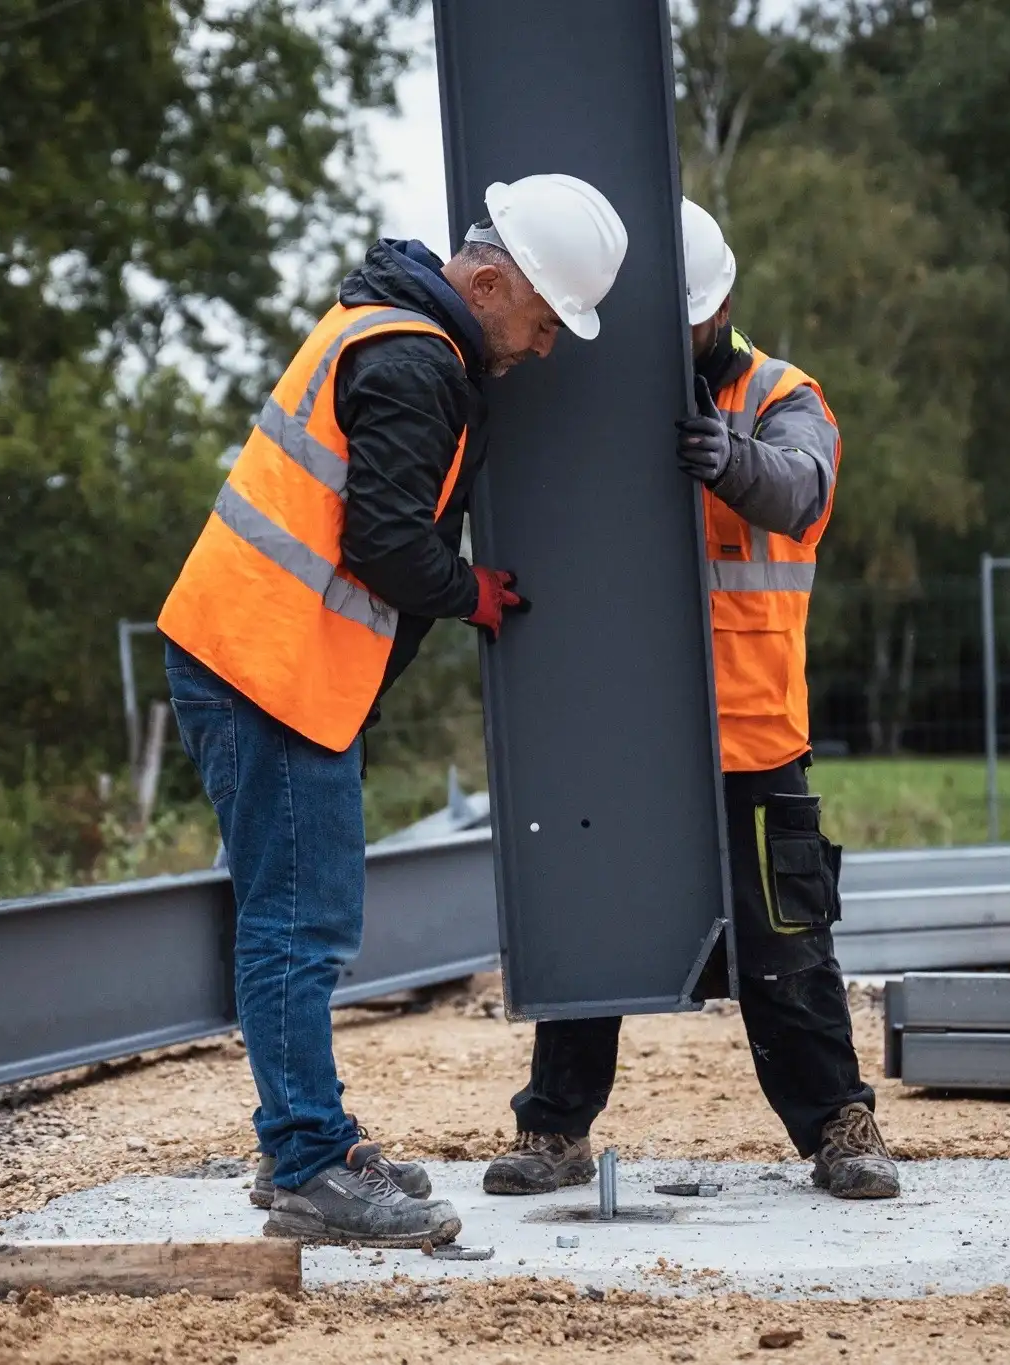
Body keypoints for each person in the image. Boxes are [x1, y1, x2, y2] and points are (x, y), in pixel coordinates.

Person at [157, 174, 628, 1246]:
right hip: (267, 667)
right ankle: (310, 1167)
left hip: (263, 656)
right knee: (299, 924)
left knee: (294, 917)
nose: (545, 347)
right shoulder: (416, 361)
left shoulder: (386, 325)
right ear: (492, 281)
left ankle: (305, 1139)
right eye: (545, 320)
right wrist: (471, 592)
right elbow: (381, 541)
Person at [482, 198, 899, 1202]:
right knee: (590, 924)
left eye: (687, 329)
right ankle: (552, 1129)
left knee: (786, 950)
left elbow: (799, 488)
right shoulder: (592, 401)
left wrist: (730, 459)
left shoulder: (781, 395)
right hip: (621, 738)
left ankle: (840, 1130)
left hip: (751, 737)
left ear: (714, 314)